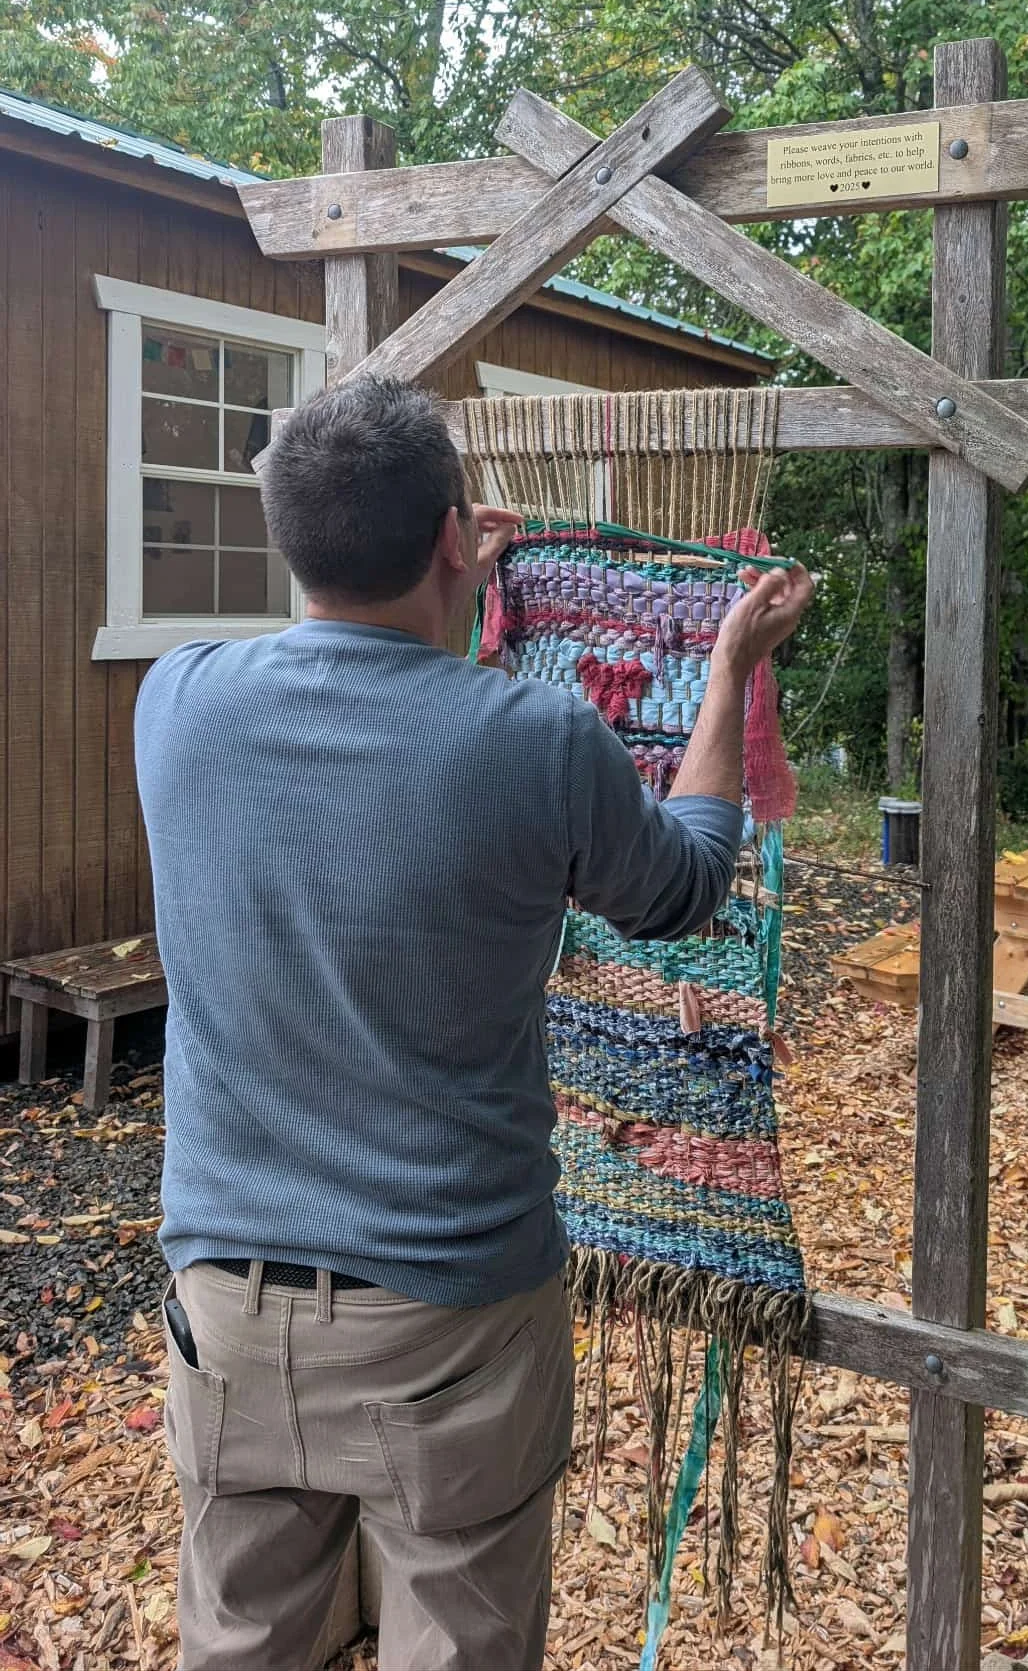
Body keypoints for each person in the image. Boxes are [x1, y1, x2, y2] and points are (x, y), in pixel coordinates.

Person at [134, 374, 813, 1671]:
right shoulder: (536, 740)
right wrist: (727, 667)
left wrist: (434, 574)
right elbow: (683, 879)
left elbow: (347, 698)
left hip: (224, 1314)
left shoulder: (177, 707)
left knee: (240, 1643)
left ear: (286, 537)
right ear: (454, 536)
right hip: (447, 1321)